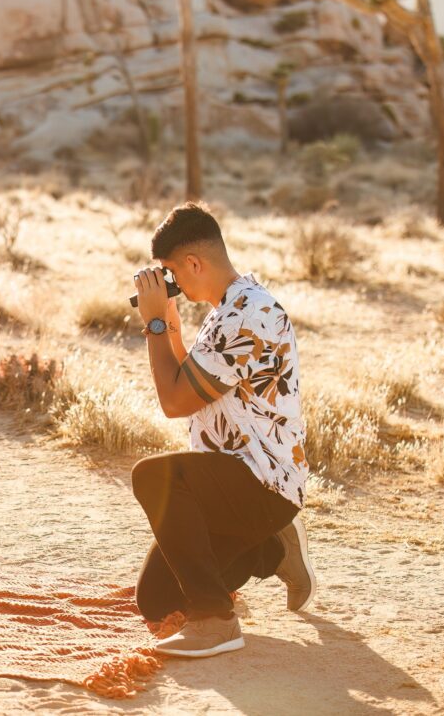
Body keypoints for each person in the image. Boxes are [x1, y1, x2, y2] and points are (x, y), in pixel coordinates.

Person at [129, 202, 316, 658]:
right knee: (157, 600)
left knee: (154, 476)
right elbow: (183, 381)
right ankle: (273, 549)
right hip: (231, 480)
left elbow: (173, 402)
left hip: (260, 481)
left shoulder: (245, 318)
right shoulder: (228, 306)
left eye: (172, 273)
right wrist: (167, 317)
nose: (174, 282)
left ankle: (215, 621)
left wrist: (155, 322)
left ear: (194, 263)